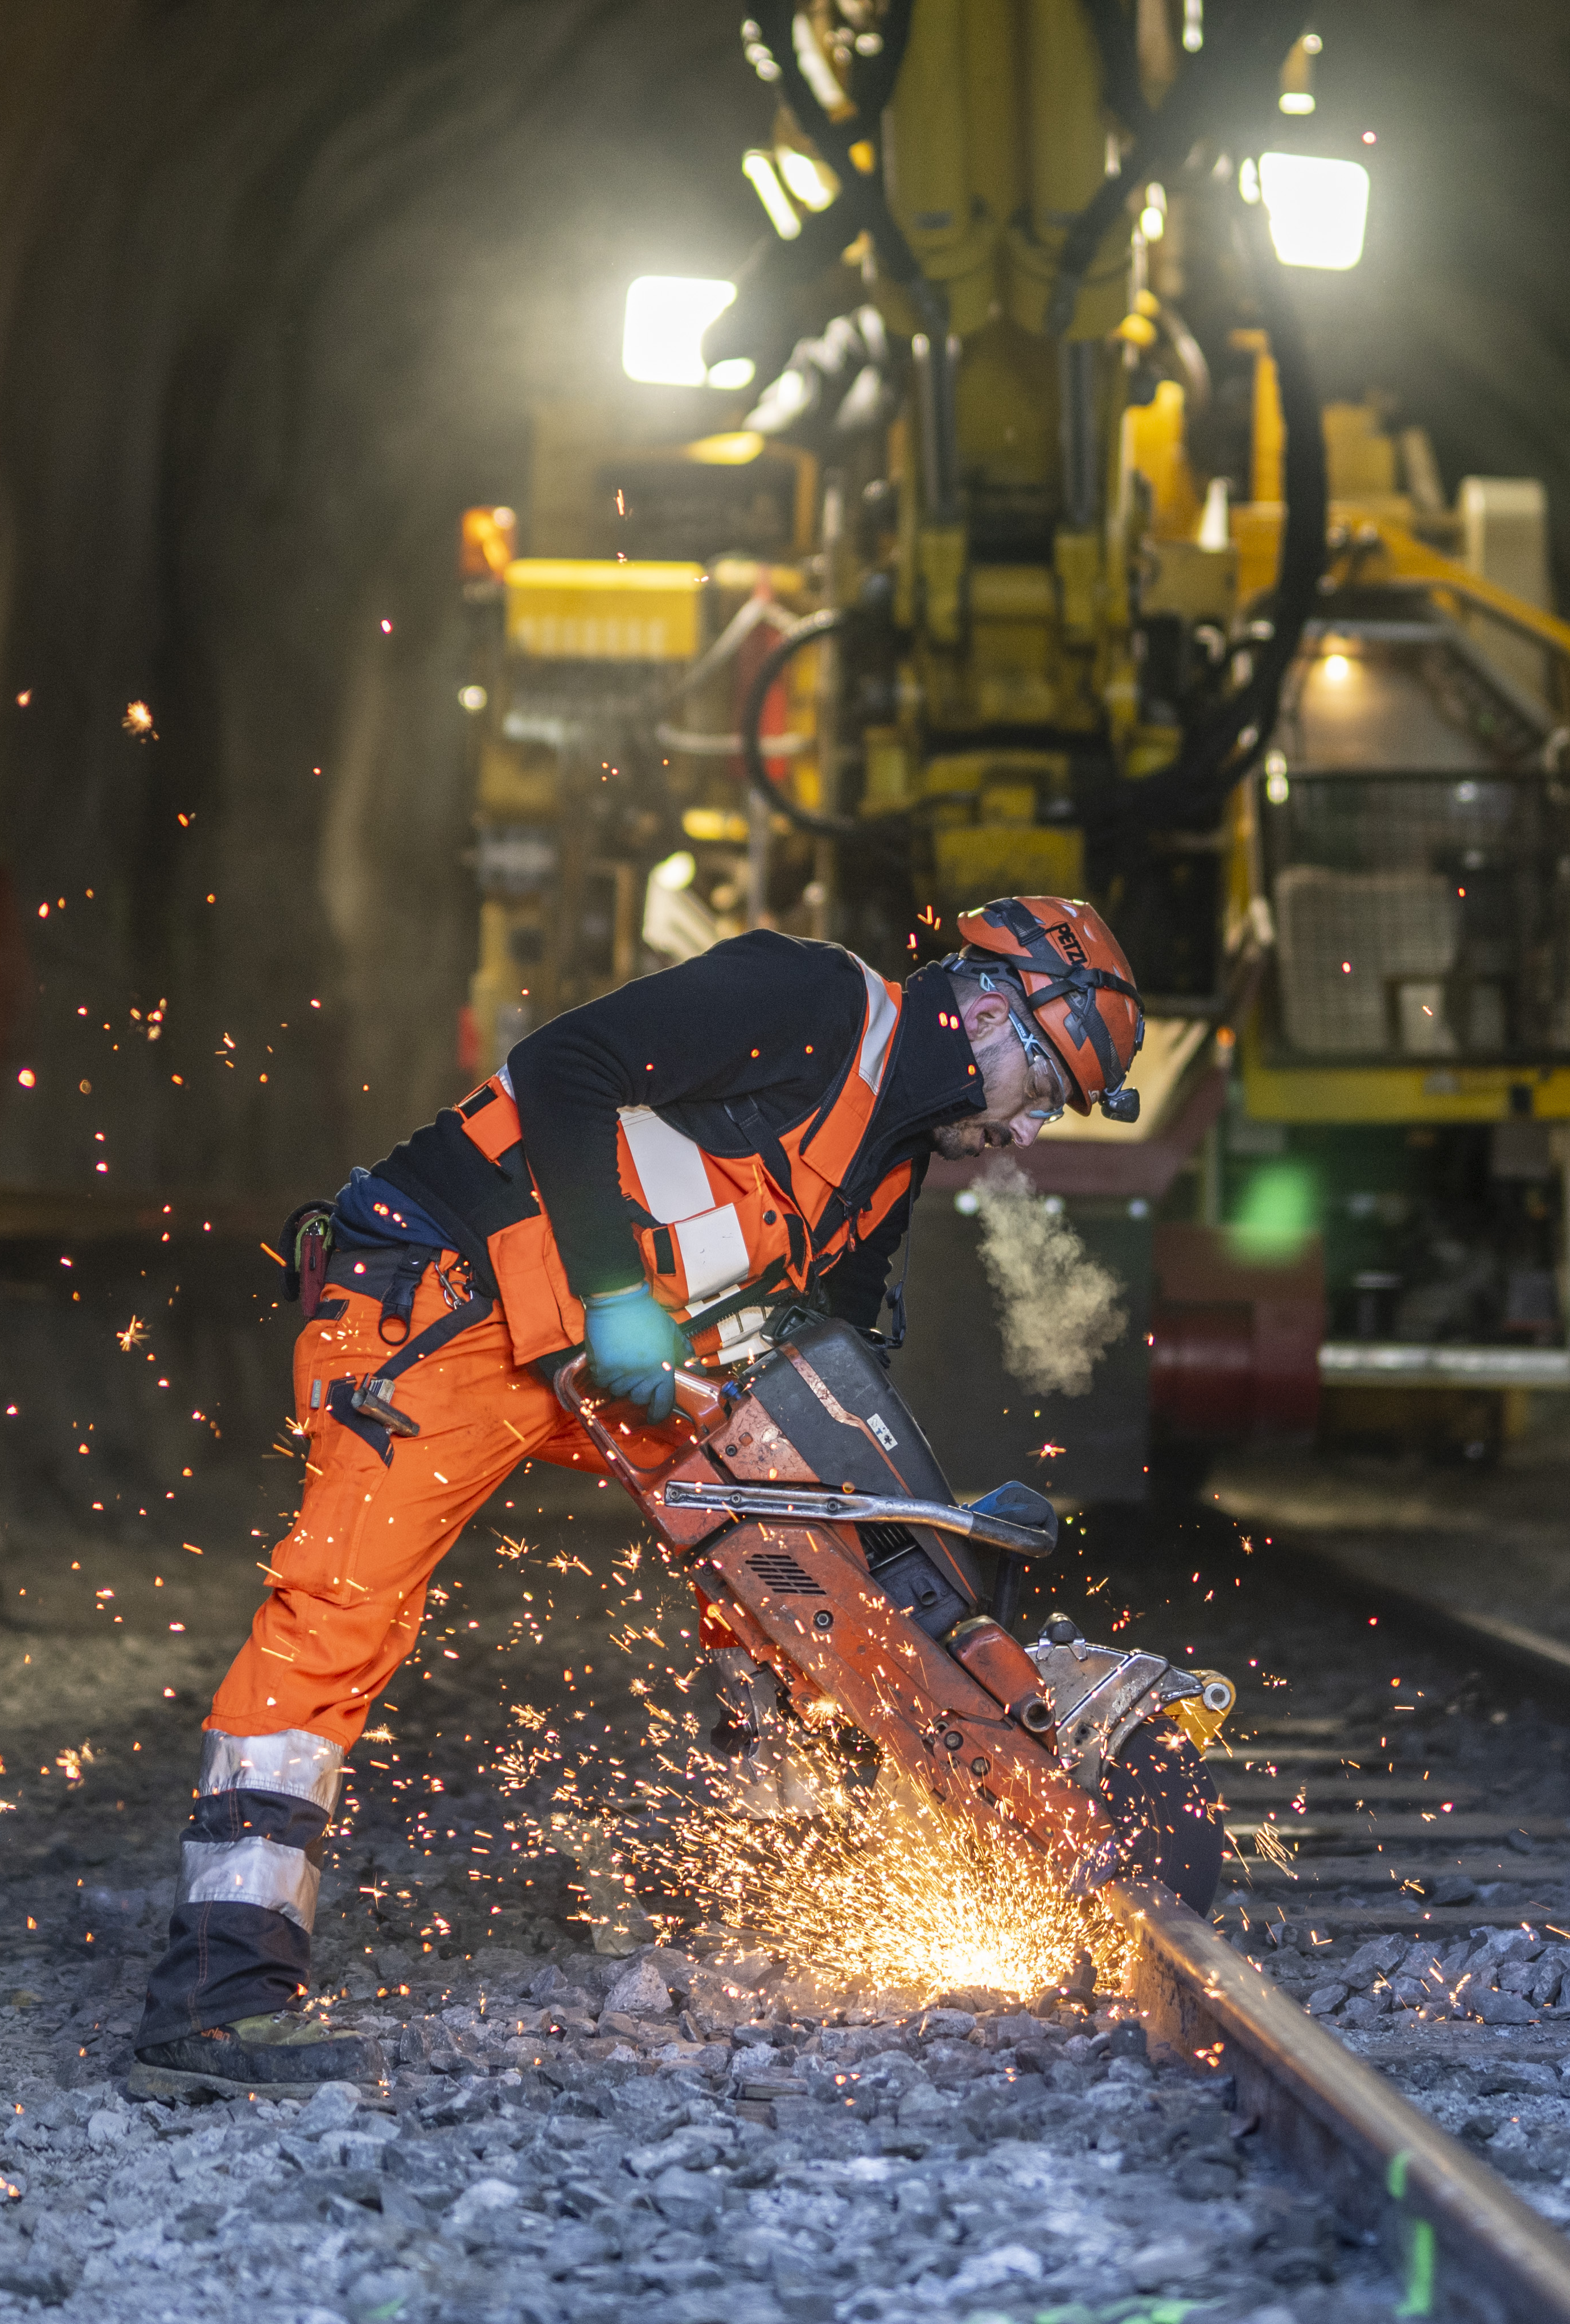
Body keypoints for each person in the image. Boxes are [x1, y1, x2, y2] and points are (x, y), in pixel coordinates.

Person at [131, 895, 1146, 2091]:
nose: (1029, 1129)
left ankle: (813, 1875)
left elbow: (829, 1378)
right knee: (337, 1616)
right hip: (442, 1298)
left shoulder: (885, 1171)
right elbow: (566, 1067)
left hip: (605, 1357)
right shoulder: (812, 997)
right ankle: (212, 2007)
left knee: (795, 1559)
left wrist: (905, 1591)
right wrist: (616, 1291)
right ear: (988, 1003)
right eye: (1044, 1082)